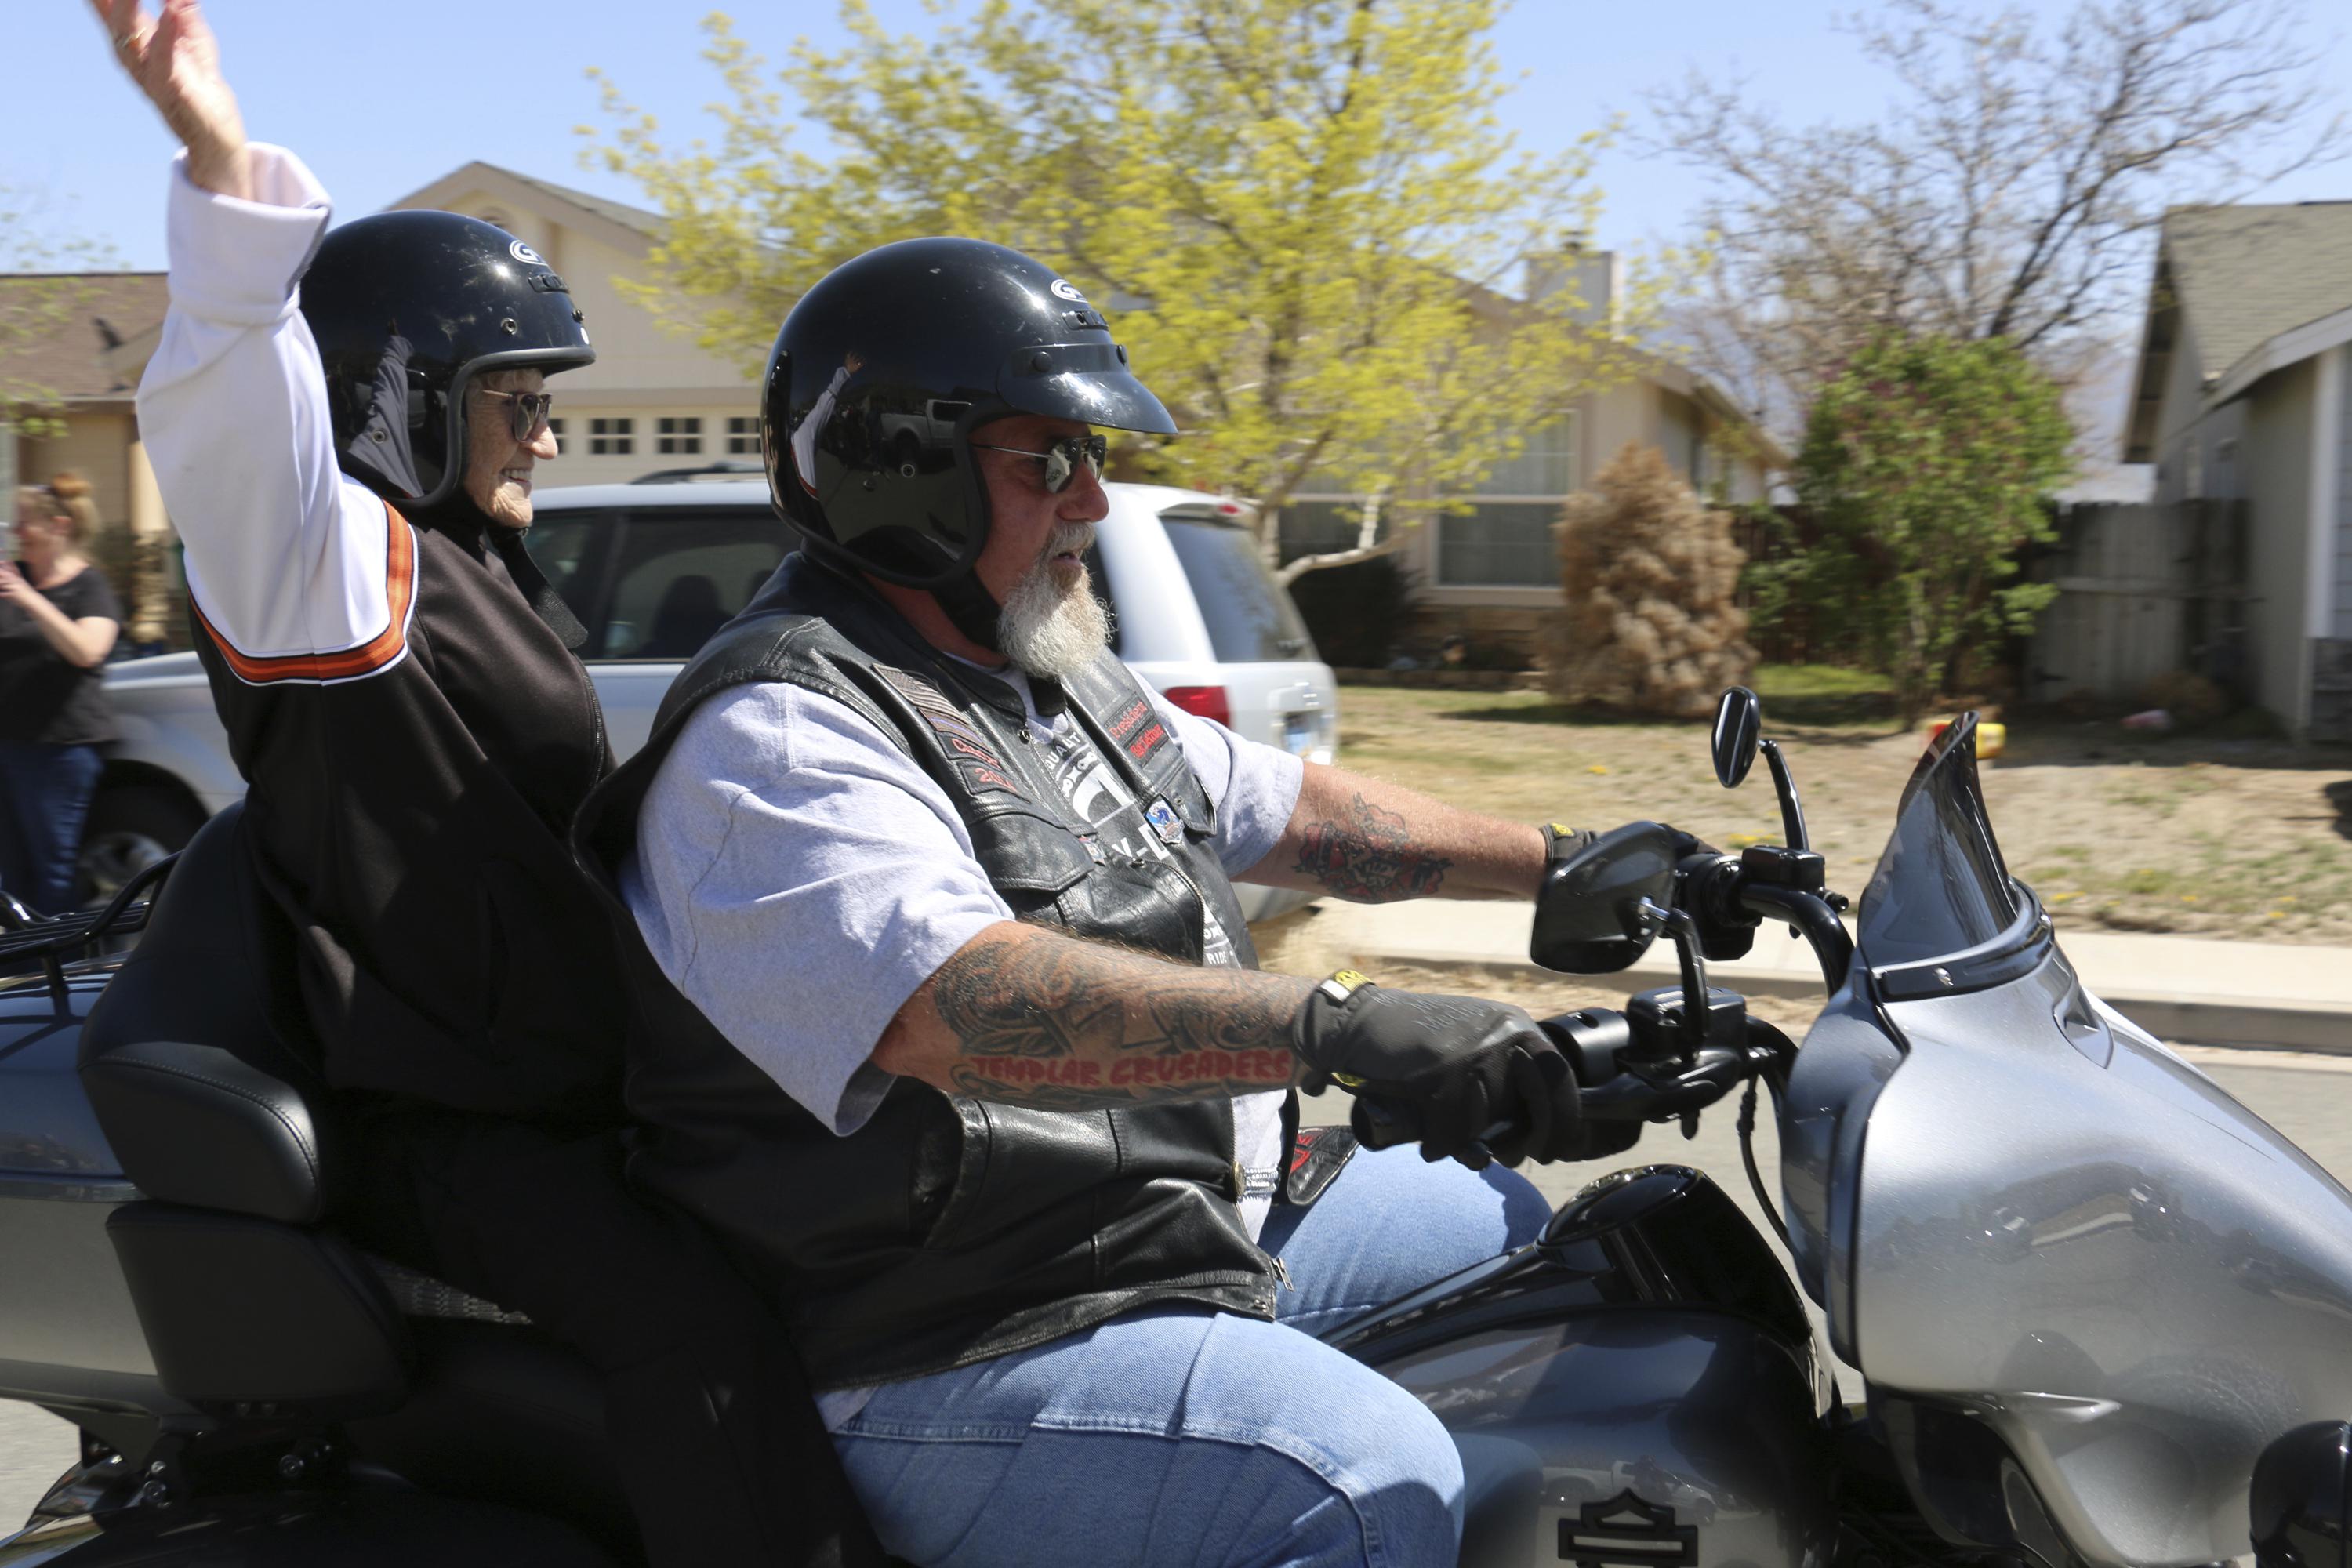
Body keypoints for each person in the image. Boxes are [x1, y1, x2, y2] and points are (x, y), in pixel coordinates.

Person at [574, 237, 1657, 1566]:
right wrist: (1337, 1021)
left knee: (1533, 1242)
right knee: (1369, 1482)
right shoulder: (783, 738)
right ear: (899, 470)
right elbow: (958, 1007)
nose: (1092, 498)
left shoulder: (1037, 667)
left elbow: (1288, 812)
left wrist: (1571, 859)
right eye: (1048, 460)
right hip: (951, 1330)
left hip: (1147, 1223)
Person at [96, 2, 882, 1563]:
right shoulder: (323, 568)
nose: (544, 427)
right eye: (517, 399)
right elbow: (234, 420)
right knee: (692, 1328)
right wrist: (213, 158)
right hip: (450, 1121)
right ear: (405, 397)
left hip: (570, 1084)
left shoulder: (474, 563)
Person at [0, 475, 122, 915]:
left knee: (53, 872)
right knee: (9, 875)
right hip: (9, 745)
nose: (16, 533)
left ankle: (62, 972)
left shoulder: (89, 587)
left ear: (58, 526)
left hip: (60, 750)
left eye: (24, 523)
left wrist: (30, 599)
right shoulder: (12, 580)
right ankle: (19, 973)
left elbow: (88, 651)